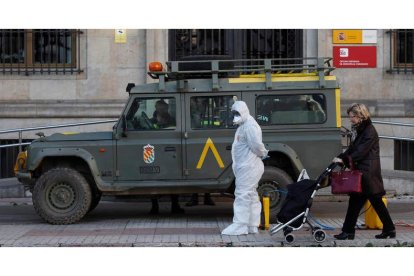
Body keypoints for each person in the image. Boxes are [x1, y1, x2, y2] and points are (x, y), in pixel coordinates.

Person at [332, 103, 396, 240]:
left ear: (360, 116)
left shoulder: (369, 131)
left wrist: (345, 160)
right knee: (373, 202)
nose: (351, 120)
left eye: (352, 117)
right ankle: (389, 229)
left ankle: (349, 231)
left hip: (367, 173)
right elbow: (353, 149)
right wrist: (341, 156)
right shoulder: (361, 130)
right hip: (364, 173)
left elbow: (360, 152)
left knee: (362, 203)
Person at [221, 100, 269, 235]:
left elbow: (257, 146)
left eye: (237, 113)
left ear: (243, 112)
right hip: (246, 166)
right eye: (234, 113)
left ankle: (240, 224)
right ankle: (252, 225)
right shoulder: (243, 125)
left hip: (249, 167)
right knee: (251, 195)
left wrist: (263, 153)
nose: (235, 116)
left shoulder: (249, 126)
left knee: (242, 194)